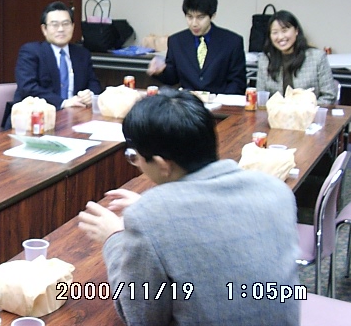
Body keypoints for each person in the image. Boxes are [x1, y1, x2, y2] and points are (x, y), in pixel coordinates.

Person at [78, 90, 300, 325]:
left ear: (162, 164)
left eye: (135, 157)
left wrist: (113, 237)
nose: (137, 163)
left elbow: (140, 316)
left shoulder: (149, 217)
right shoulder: (275, 190)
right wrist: (152, 209)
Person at [147, 0, 247, 94]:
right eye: (190, 17)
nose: (194, 24)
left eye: (200, 17)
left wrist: (220, 100)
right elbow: (172, 78)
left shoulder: (232, 42)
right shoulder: (176, 41)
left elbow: (238, 82)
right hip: (188, 101)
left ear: (212, 16)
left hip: (220, 101)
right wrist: (160, 71)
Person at [13, 1, 102, 110]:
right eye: (55, 24)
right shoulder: (31, 52)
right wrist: (63, 103)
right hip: (37, 114)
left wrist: (90, 95)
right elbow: (28, 88)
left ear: (73, 26)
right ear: (44, 29)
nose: (61, 29)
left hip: (75, 113)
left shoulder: (82, 54)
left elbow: (94, 83)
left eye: (66, 24)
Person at [257, 10, 336, 105]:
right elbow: (260, 97)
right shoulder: (265, 60)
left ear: (296, 31)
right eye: (275, 32)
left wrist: (303, 108)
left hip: (309, 112)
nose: (280, 37)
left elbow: (329, 97)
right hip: (276, 113)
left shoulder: (317, 58)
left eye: (284, 31)